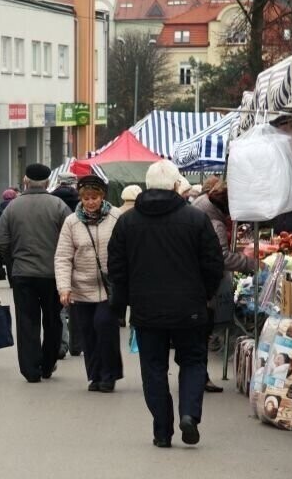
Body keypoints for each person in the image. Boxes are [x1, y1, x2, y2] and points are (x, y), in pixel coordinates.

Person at [108, 160, 224, 448]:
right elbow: (213, 264)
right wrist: (205, 295)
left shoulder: (127, 222)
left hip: (147, 311)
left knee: (154, 368)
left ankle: (162, 431)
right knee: (194, 361)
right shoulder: (196, 220)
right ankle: (189, 414)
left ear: (148, 186)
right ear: (176, 186)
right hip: (191, 308)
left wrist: (120, 307)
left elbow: (117, 269)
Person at [0, 163, 71, 383]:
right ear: (48, 182)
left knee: (27, 321)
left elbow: (0, 238)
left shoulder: (13, 206)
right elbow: (70, 236)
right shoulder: (58, 206)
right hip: (53, 274)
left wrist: (13, 258)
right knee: (53, 319)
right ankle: (48, 364)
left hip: (23, 273)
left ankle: (30, 370)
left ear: (25, 181)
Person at [55, 175, 123, 392]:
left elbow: (126, 249)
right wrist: (64, 287)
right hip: (81, 287)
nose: (90, 202)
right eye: (86, 198)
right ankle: (95, 375)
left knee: (104, 326)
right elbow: (63, 256)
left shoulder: (115, 217)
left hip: (108, 287)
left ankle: (109, 374)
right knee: (88, 333)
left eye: (94, 197)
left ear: (102, 196)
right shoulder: (71, 222)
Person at [193, 182, 256, 393]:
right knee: (202, 331)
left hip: (195, 281)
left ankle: (197, 376)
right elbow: (222, 257)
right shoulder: (214, 221)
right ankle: (198, 378)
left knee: (198, 334)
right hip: (204, 284)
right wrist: (252, 264)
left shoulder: (201, 204)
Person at [52, 171, 82, 359]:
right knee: (77, 302)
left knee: (60, 303)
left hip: (58, 254)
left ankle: (61, 344)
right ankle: (76, 344)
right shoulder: (82, 201)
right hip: (79, 256)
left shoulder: (51, 200)